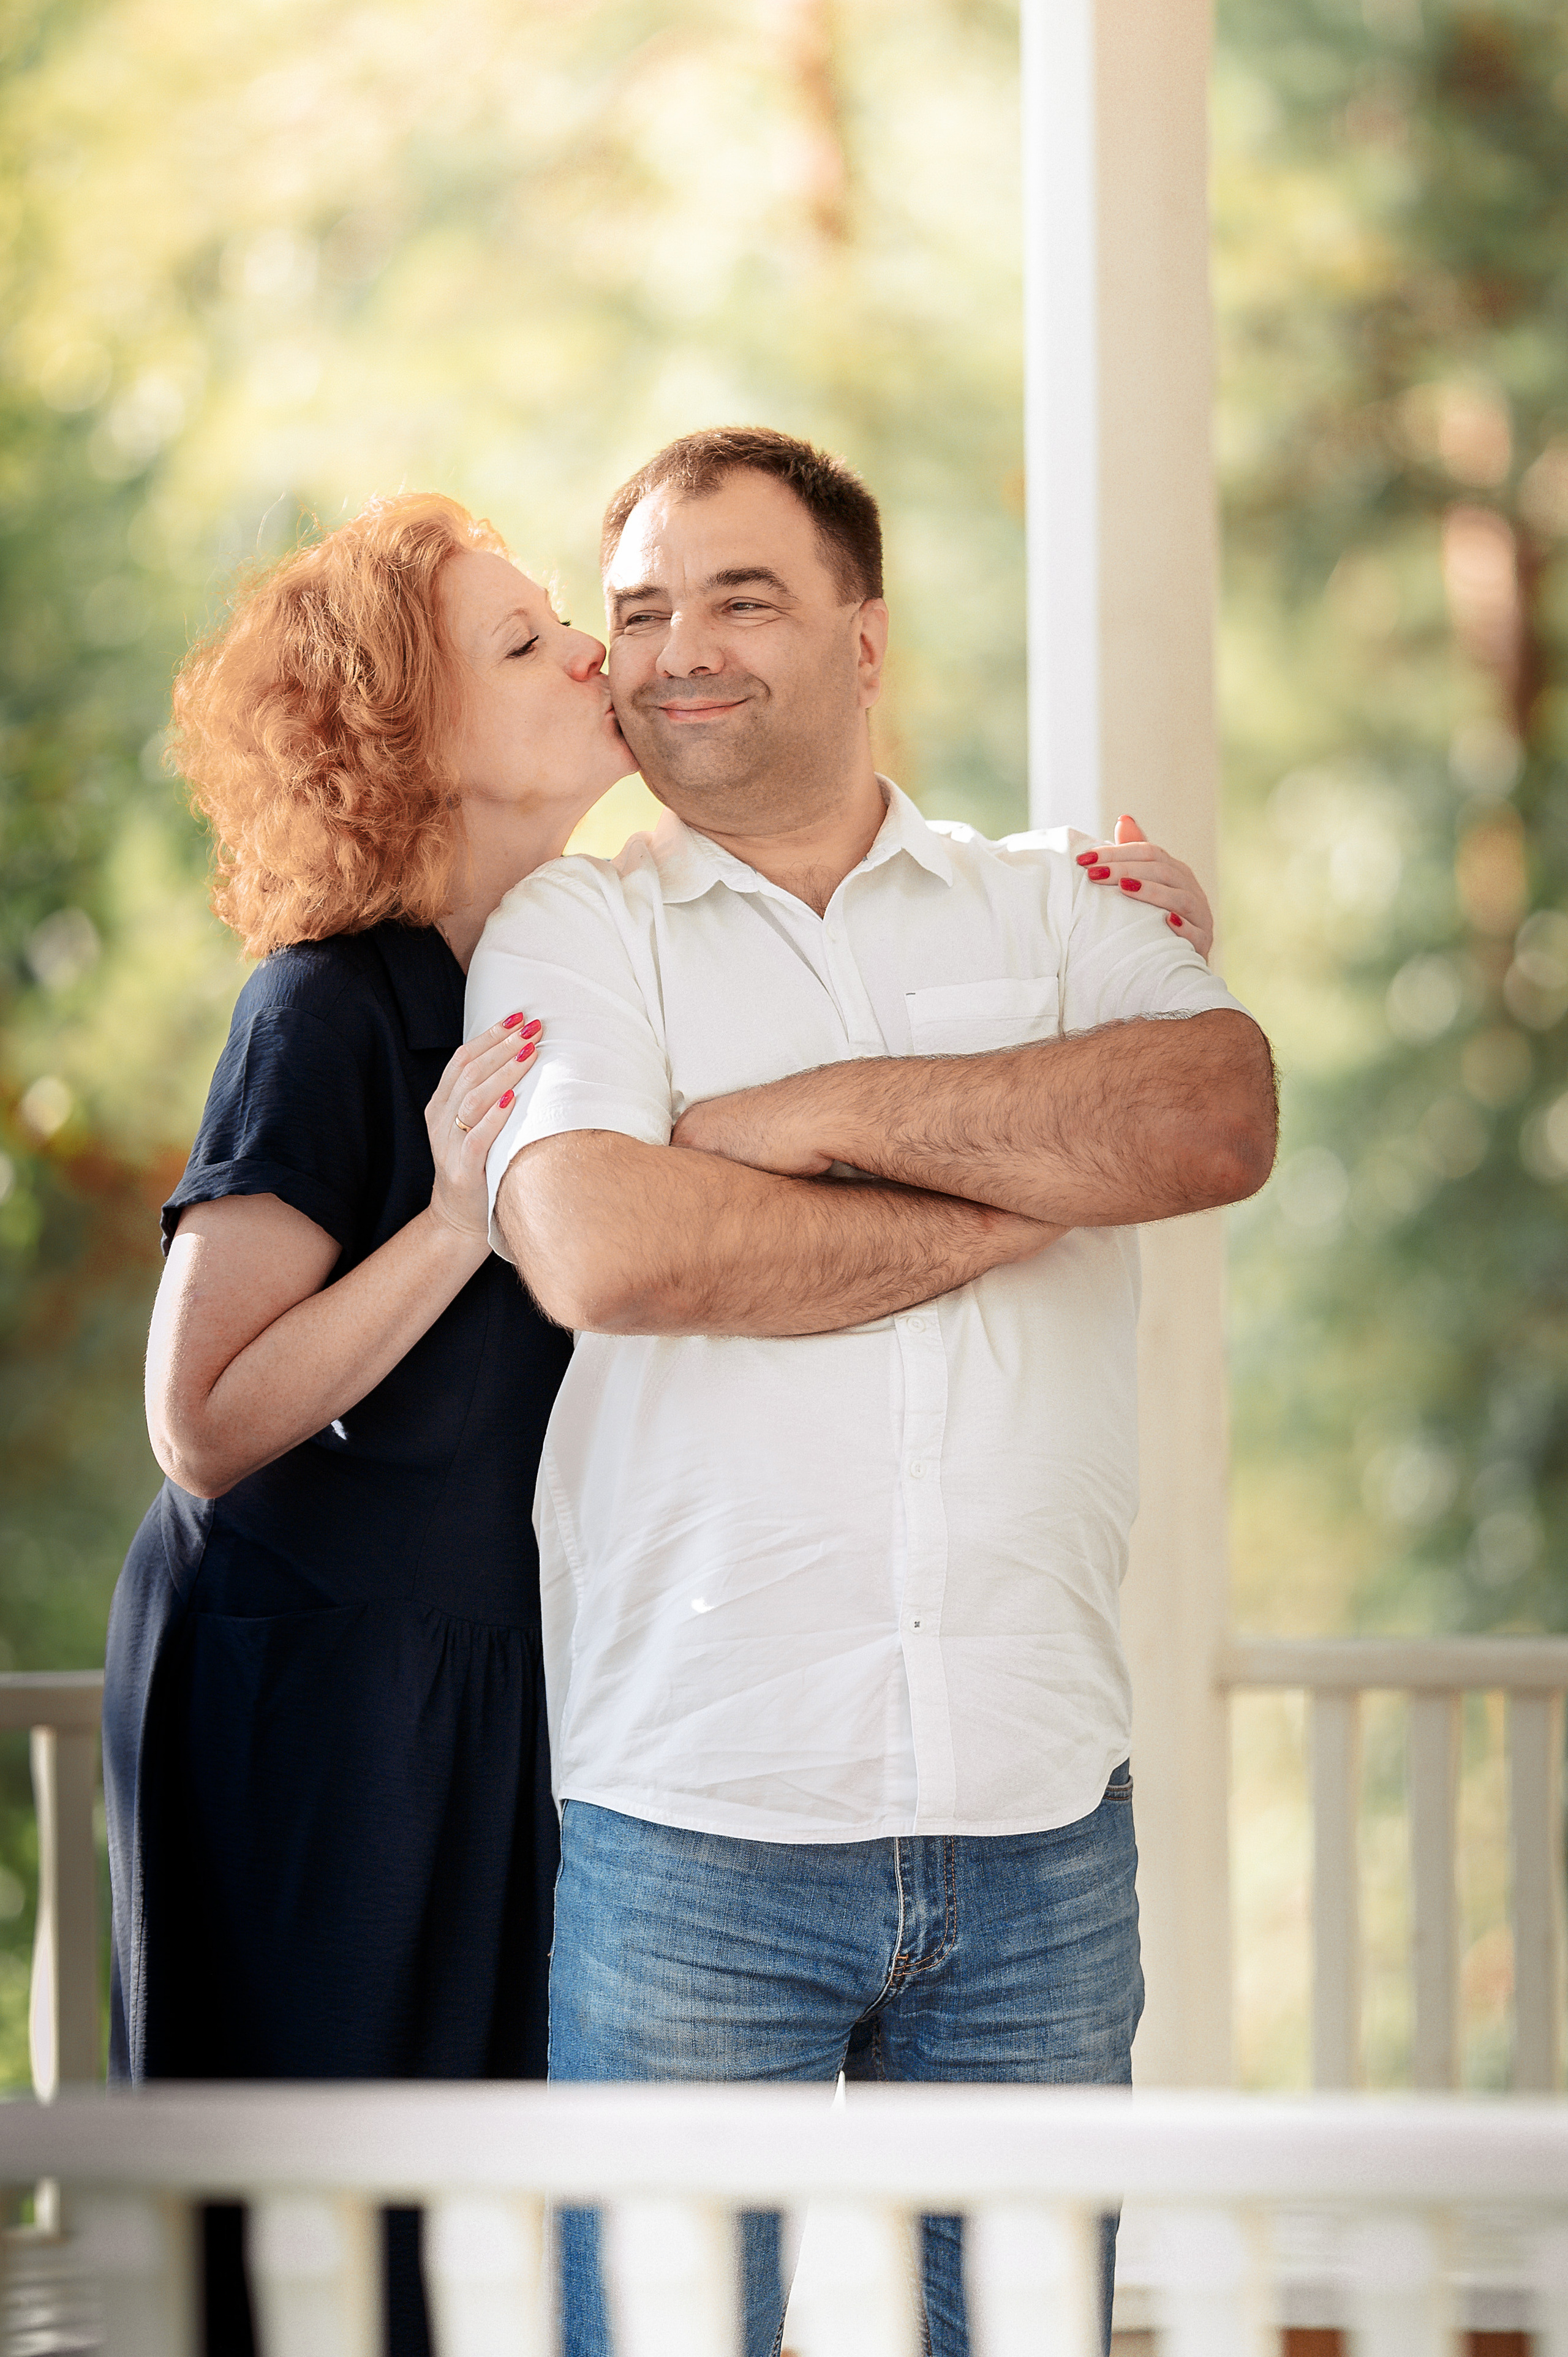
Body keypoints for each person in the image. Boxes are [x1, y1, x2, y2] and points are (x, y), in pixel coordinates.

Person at [464, 426, 1278, 2357]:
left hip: (1038, 1822)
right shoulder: (574, 931)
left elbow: (1213, 1112)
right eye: (642, 610)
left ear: (865, 634)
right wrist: (1021, 1190)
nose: (680, 649)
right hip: (695, 1825)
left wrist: (806, 1123)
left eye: (742, 596)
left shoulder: (1057, 902)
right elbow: (603, 1244)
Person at [101, 491, 630, 2355]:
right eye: (523, 640)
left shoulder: (593, 970)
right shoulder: (320, 1008)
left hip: (501, 1670)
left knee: (485, 2261)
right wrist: (450, 1228)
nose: (589, 651)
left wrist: (1096, 908)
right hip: (307, 1689)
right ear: (407, 737)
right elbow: (204, 1421)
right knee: (325, 2265)